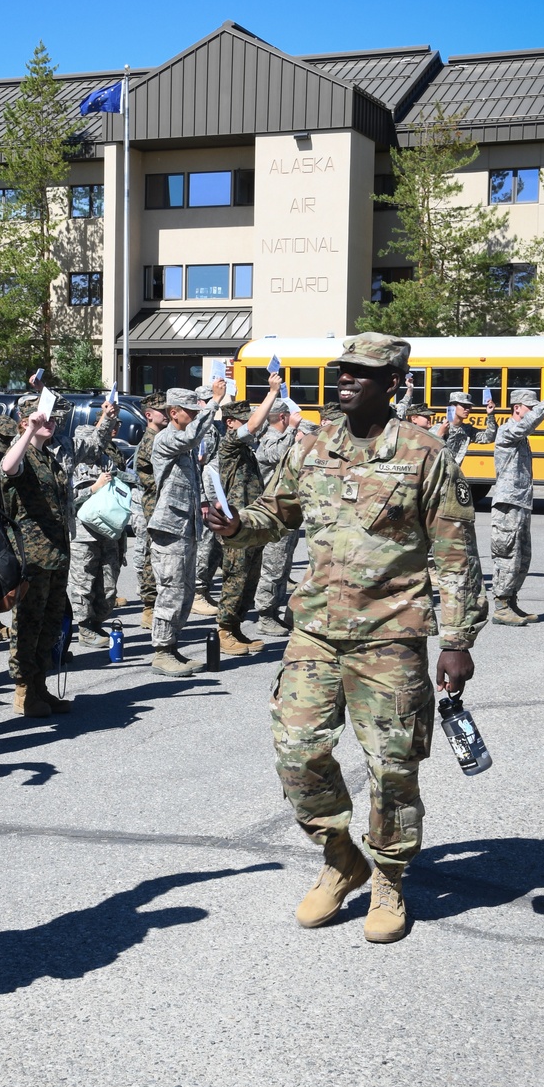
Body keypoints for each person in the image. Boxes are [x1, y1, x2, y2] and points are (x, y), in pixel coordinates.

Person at [207, 333, 487, 943]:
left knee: (392, 766)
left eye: (362, 372)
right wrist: (235, 524)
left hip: (391, 635)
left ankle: (388, 875)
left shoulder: (424, 452)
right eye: (343, 370)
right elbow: (274, 515)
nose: (346, 379)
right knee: (297, 751)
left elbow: (456, 553)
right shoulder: (313, 444)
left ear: (393, 383)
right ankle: (341, 858)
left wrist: (458, 638)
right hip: (316, 631)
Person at [148, 378, 227, 677]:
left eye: (197, 412)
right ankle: (161, 652)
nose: (194, 416)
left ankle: (172, 647)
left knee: (184, 591)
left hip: (187, 528)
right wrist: (215, 404)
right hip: (170, 529)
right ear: (173, 413)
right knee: (170, 590)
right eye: (189, 412)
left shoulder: (186, 446)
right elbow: (193, 437)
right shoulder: (167, 439)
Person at [0, 395, 74, 717]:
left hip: (56, 556)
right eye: (44, 418)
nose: (51, 422)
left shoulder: (49, 459)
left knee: (50, 624)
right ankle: (24, 691)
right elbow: (7, 466)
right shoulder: (23, 453)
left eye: (53, 419)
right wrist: (29, 431)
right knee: (28, 624)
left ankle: (40, 686)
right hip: (33, 556)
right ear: (26, 420)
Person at [212, 375, 286, 656]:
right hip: (235, 524)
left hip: (251, 523)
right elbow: (255, 424)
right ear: (230, 423)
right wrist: (272, 392)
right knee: (235, 577)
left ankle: (236, 627)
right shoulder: (229, 445)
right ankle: (224, 630)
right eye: (242, 419)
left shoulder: (245, 449)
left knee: (249, 578)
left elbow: (257, 424)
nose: (250, 423)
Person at [490, 380, 544, 626]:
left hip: (520, 502)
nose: (532, 412)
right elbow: (528, 425)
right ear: (517, 408)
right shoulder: (508, 431)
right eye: (530, 407)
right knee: (507, 554)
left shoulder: (520, 434)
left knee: (522, 557)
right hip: (508, 503)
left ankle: (510, 602)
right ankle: (500, 606)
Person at [69, 399, 127, 647]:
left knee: (108, 585)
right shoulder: (72, 465)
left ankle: (97, 622)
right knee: (84, 582)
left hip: (110, 533)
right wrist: (93, 488)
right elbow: (70, 501)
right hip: (84, 534)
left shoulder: (109, 460)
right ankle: (84, 628)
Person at [252, 399, 303, 636]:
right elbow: (276, 455)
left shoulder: (284, 437)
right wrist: (293, 429)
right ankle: (265, 614)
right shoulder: (270, 438)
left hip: (287, 512)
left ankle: (274, 611)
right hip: (273, 514)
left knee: (282, 564)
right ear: (283, 417)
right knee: (273, 565)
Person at [131, 394, 168, 631]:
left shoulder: (162, 437)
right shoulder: (151, 441)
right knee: (150, 556)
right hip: (154, 506)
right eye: (162, 410)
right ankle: (149, 607)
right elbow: (151, 480)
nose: (167, 414)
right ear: (149, 415)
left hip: (162, 505)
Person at [192, 385, 224, 616]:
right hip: (206, 498)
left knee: (214, 548)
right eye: (205, 400)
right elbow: (198, 464)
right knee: (205, 547)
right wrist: (203, 500)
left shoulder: (211, 428)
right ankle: (197, 593)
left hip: (215, 495)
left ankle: (205, 589)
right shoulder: (201, 430)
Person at [437, 390, 497, 464]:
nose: (467, 409)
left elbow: (489, 437)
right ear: (452, 406)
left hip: (454, 473)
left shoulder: (467, 430)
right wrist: (440, 435)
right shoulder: (440, 428)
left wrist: (490, 415)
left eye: (469, 406)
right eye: (464, 406)